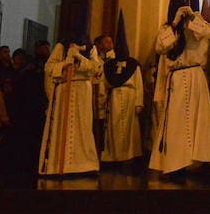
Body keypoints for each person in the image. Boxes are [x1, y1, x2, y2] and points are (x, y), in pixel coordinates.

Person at [149, 6, 210, 174]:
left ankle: (196, 162)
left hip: (195, 77)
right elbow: (160, 47)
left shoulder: (200, 24)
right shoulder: (170, 29)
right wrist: (175, 23)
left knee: (197, 119)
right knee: (175, 121)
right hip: (177, 79)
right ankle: (174, 163)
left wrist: (193, 19)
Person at [38, 41, 101, 175]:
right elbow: (49, 68)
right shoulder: (61, 46)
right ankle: (57, 165)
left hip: (82, 91)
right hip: (63, 89)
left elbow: (96, 69)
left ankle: (84, 165)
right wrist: (66, 62)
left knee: (82, 127)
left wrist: (79, 57)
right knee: (60, 127)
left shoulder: (90, 48)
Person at [101, 14, 143, 164]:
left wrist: (139, 102)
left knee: (129, 128)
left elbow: (138, 83)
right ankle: (115, 155)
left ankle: (128, 156)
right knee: (114, 127)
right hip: (114, 97)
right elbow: (105, 82)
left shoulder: (133, 65)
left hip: (130, 96)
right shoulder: (110, 65)